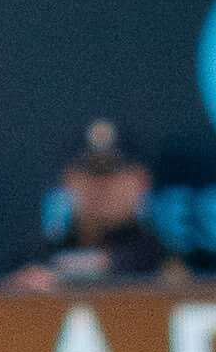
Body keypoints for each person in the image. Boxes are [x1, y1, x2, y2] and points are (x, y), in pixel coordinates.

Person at [16, 119, 180, 287]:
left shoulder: (161, 261)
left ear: (141, 181)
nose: (101, 184)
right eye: (91, 171)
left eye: (113, 170)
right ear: (67, 180)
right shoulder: (37, 257)